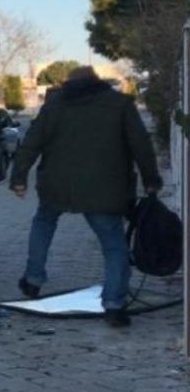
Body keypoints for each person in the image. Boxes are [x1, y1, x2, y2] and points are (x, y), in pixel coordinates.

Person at [9, 66, 161, 327]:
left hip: (57, 185)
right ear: (98, 82)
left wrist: (19, 178)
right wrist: (151, 180)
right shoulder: (120, 104)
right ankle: (113, 305)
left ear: (68, 85)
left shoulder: (54, 106)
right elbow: (141, 145)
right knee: (113, 245)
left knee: (43, 224)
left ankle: (33, 279)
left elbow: (32, 142)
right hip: (104, 188)